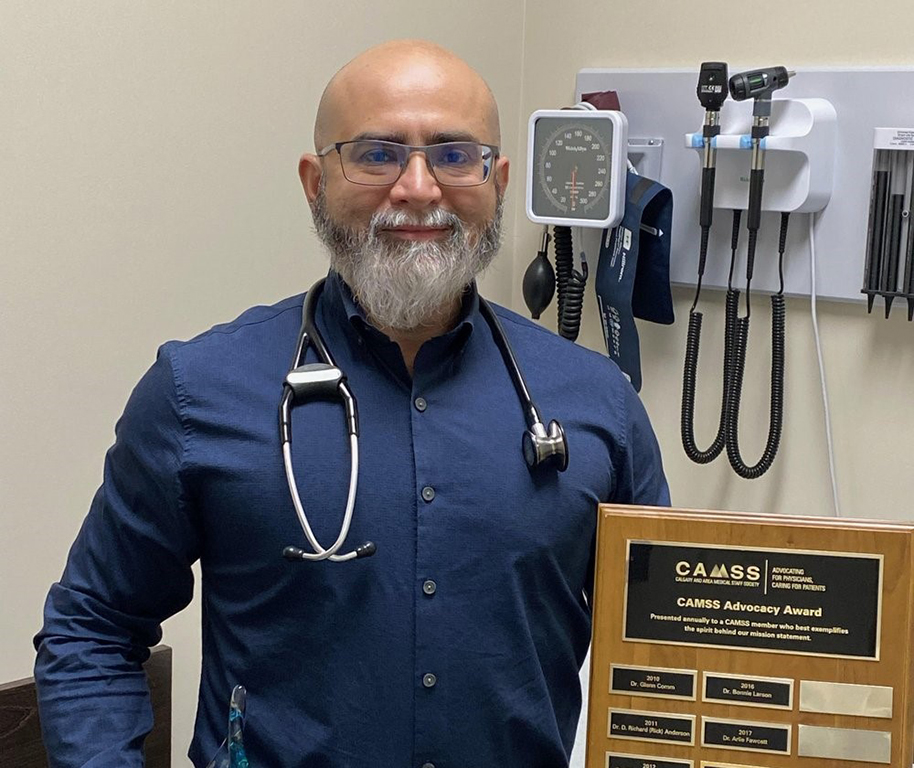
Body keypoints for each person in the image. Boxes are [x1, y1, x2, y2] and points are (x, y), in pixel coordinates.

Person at [34, 39, 669, 767]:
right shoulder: (198, 391)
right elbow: (92, 630)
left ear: (497, 180)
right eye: (377, 154)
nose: (420, 188)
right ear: (315, 181)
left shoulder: (597, 405)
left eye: (455, 156)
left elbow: (661, 657)